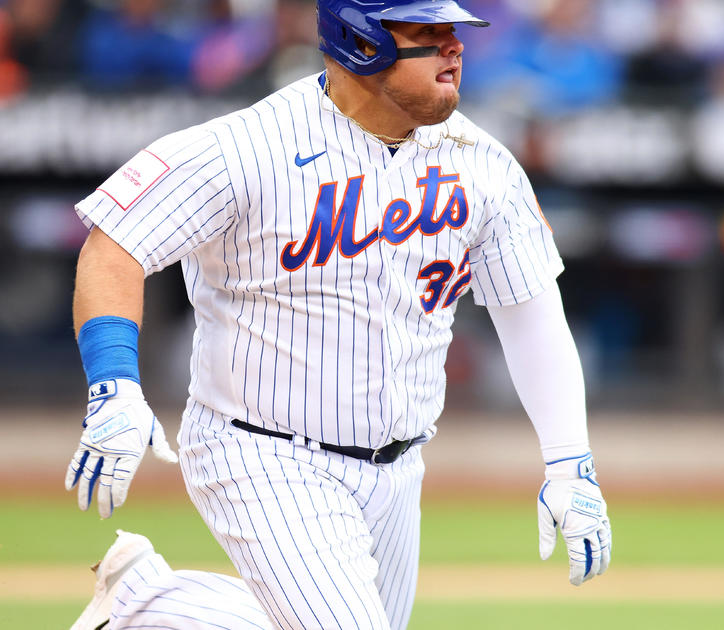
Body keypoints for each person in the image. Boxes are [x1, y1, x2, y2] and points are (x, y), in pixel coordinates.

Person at [63, 2, 612, 629]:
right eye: (428, 35)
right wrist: (114, 387)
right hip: (262, 453)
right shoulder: (247, 147)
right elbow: (115, 244)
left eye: (453, 32)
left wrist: (571, 460)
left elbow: (531, 311)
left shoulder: (482, 163)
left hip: (400, 467)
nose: (453, 49)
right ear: (362, 41)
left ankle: (154, 606)